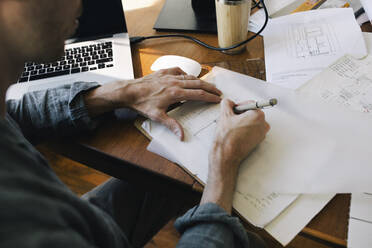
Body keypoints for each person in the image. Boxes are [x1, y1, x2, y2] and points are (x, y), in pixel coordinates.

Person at [0, 0, 270, 247]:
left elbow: (15, 116)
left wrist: (117, 93)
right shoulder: (19, 222)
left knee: (172, 175)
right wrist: (223, 167)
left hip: (82, 220)